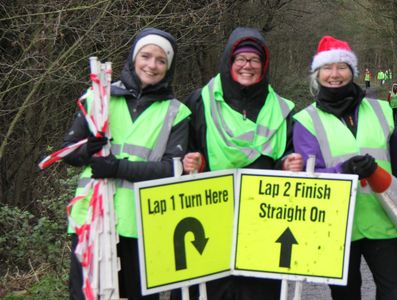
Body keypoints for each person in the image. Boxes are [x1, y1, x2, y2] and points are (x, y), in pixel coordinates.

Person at [171, 27, 303, 300]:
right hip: (209, 219)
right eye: (240, 58)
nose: (247, 66)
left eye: (255, 60)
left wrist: (288, 164)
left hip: (263, 220)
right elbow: (182, 151)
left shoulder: (282, 109)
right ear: (228, 61)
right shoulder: (199, 102)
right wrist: (189, 161)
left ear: (264, 66)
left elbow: (287, 154)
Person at [63, 28, 191, 299]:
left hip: (144, 226)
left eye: (161, 60)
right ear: (134, 58)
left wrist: (118, 168)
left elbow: (172, 170)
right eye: (146, 56)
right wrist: (88, 149)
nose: (151, 65)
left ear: (168, 67)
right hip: (92, 220)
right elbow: (67, 154)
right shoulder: (99, 96)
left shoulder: (176, 112)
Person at [293, 35, 397, 300]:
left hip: (384, 220)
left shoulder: (381, 110)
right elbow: (306, 180)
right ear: (317, 73)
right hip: (336, 227)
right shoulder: (305, 120)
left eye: (342, 67)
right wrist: (343, 172)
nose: (335, 74)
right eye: (327, 68)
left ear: (353, 71)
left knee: (395, 294)